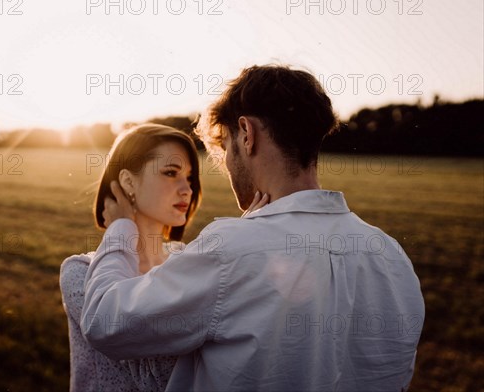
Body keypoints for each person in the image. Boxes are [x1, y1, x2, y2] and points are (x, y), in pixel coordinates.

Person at [82, 65, 425, 391]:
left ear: (247, 134)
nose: (227, 165)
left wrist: (119, 227)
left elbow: (104, 321)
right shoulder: (393, 257)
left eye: (225, 147)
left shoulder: (231, 249)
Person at [60, 124, 208, 391]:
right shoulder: (80, 274)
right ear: (128, 182)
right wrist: (122, 227)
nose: (187, 189)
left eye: (189, 177)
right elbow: (157, 376)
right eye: (171, 173)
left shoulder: (186, 261)